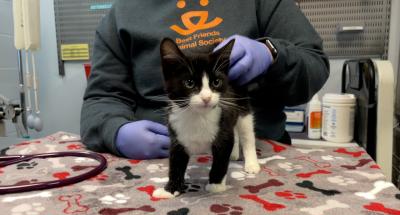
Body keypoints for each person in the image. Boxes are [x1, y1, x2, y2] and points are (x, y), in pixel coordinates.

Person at [80, 0, 330, 159]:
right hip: (164, 159)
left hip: (253, 156)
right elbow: (101, 98)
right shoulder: (121, 13)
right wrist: (116, 131)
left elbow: (314, 64)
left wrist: (272, 53)